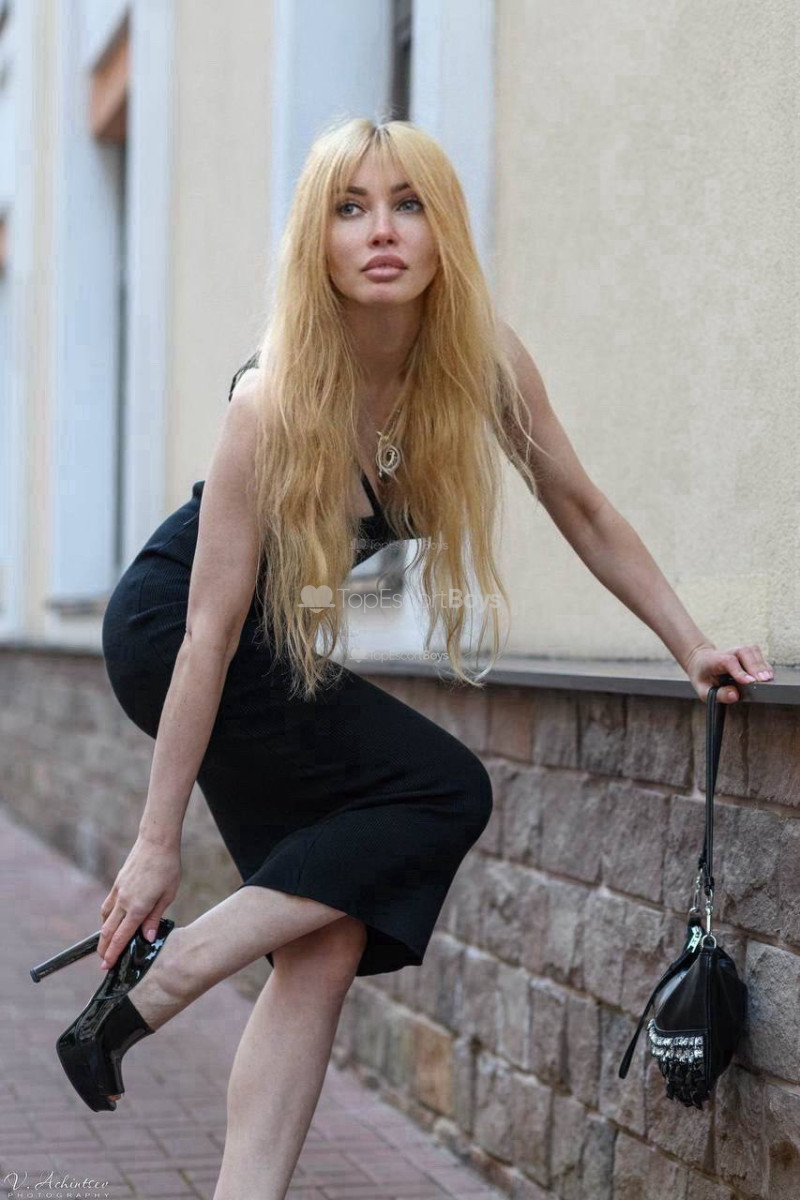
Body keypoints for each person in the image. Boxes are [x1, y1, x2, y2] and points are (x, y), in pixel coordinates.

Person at [35, 117, 773, 1200]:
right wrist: (156, 845)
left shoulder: (476, 359)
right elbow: (207, 632)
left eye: (407, 203)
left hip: (266, 650)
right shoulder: (272, 400)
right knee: (442, 788)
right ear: (319, 240)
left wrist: (690, 646)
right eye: (351, 208)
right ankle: (169, 973)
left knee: (325, 941)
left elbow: (578, 504)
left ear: (441, 230)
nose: (380, 230)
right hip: (179, 632)